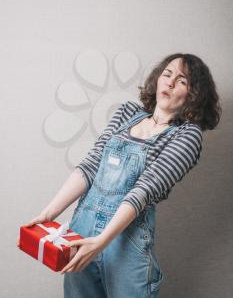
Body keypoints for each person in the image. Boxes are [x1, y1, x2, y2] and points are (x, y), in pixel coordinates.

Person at [17, 53, 222, 297]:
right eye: (167, 74)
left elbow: (144, 190)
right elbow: (90, 166)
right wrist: (48, 214)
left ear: (194, 95)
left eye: (181, 81)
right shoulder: (126, 113)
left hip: (126, 246)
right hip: (80, 233)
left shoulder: (186, 136)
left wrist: (102, 241)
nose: (169, 82)